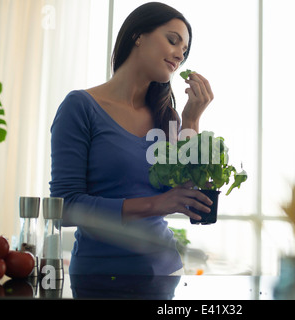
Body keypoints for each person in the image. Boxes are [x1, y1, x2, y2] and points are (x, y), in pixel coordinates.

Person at [49, 2, 214, 275]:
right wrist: (156, 204)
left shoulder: (168, 118)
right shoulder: (80, 107)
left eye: (184, 52)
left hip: (166, 271)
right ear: (138, 35)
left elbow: (188, 191)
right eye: (172, 41)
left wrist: (192, 120)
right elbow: (65, 208)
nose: (179, 56)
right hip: (100, 277)